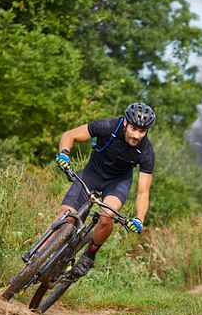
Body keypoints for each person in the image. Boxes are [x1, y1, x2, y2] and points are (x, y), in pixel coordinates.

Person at [53, 102, 156, 278]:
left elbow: (143, 192)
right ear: (125, 123)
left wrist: (139, 218)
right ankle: (38, 258)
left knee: (107, 215)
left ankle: (89, 255)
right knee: (66, 215)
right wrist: (64, 153)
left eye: (142, 131)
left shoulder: (146, 152)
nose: (137, 135)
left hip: (117, 182)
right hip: (92, 174)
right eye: (133, 128)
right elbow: (69, 135)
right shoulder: (107, 126)